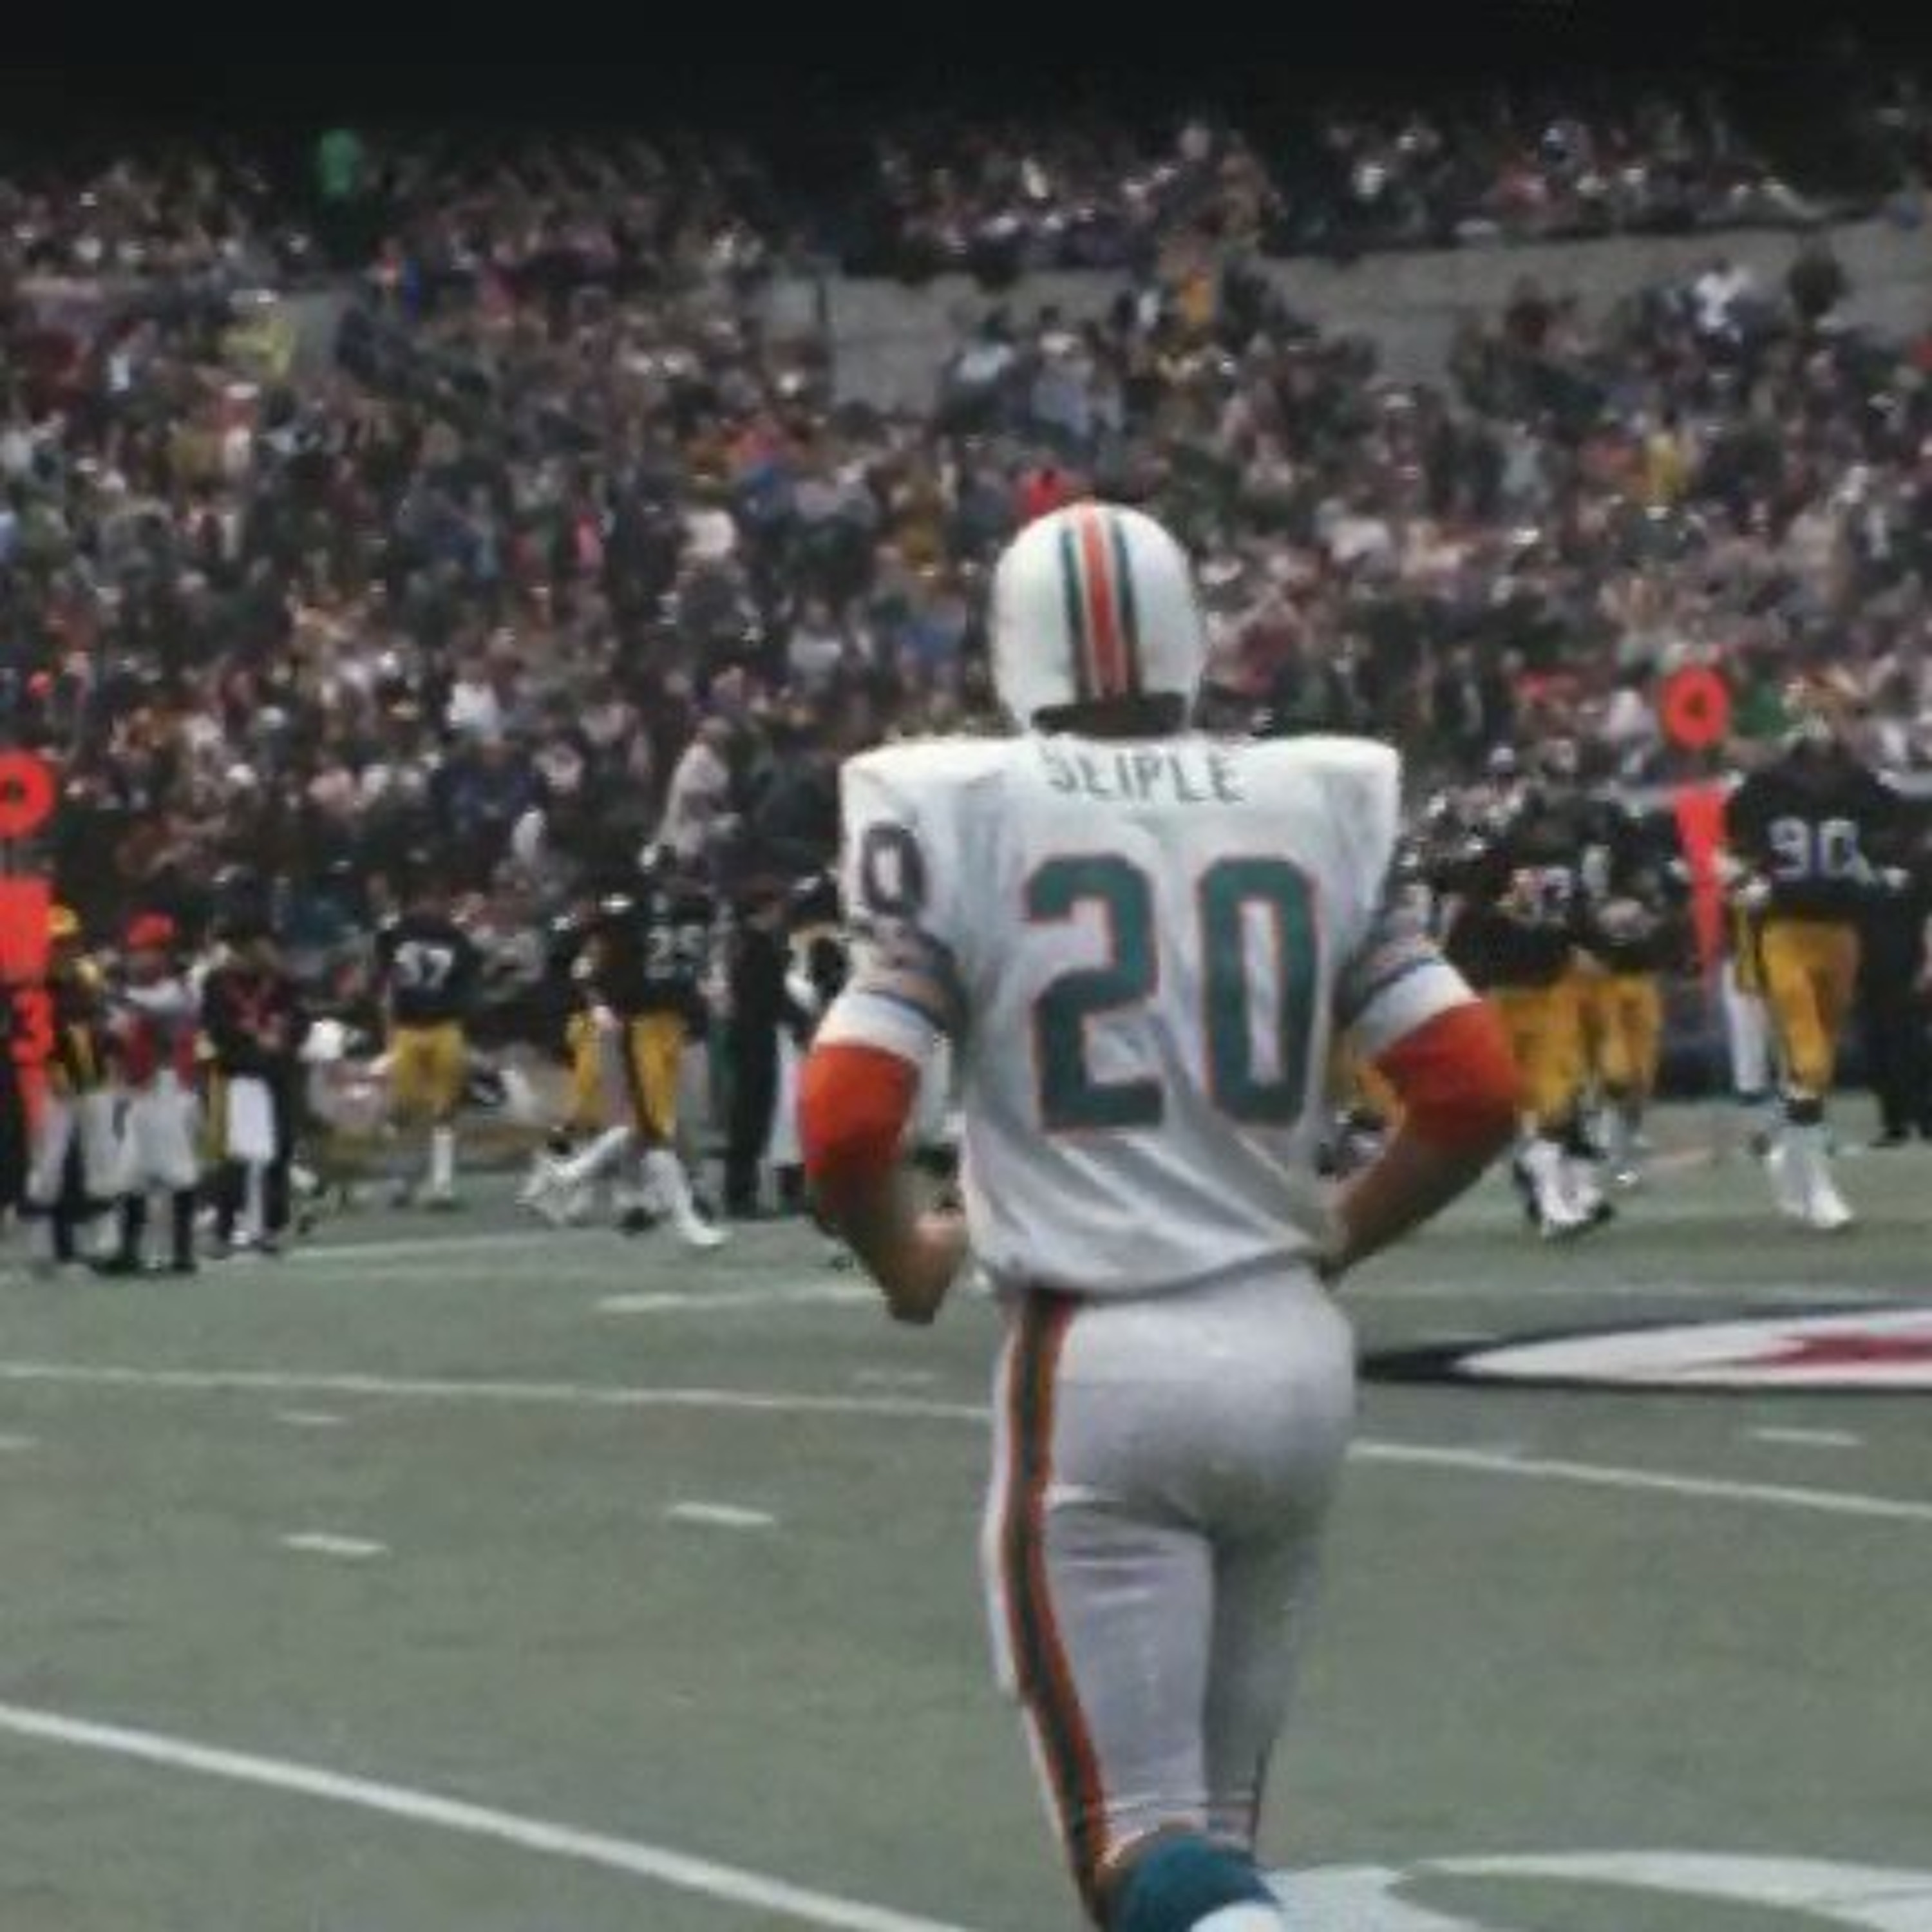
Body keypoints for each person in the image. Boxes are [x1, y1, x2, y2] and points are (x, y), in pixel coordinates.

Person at [799, 501, 1517, 1932]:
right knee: (1216, 1832)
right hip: (1294, 1356)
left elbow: (846, 1120)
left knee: (1138, 1849)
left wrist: (905, 1258)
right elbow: (1475, 1089)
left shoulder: (962, 806)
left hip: (1103, 1357)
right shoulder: (1313, 797)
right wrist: (1337, 1230)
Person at [1725, 677, 1905, 1230]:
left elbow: (1894, 838)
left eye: (1831, 714)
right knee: (1808, 1058)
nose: (1823, 724)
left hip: (1841, 932)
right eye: (1813, 713)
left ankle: (1792, 1159)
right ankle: (1819, 1187)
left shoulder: (1862, 784)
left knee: (1817, 1062)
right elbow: (1731, 850)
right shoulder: (1766, 786)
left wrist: (1887, 869)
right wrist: (1746, 880)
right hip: (1785, 931)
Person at [97, 913, 202, 1276]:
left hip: (166, 1087)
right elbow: (113, 1039)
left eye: (147, 951)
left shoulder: (180, 991)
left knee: (177, 1169)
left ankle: (183, 1252)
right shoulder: (129, 993)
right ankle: (129, 1250)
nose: (137, 958)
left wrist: (115, 997)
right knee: (131, 1173)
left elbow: (161, 1017)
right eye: (136, 952)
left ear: (165, 954)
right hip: (139, 1090)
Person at [374, 862, 482, 1208]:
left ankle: (442, 1183)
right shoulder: (395, 934)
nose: (429, 906)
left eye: (435, 899)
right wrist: (388, 1034)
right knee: (403, 1108)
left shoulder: (456, 939)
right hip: (409, 1028)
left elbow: (467, 988)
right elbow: (386, 986)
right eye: (424, 899)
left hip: (444, 1026)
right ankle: (403, 1177)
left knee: (444, 1108)